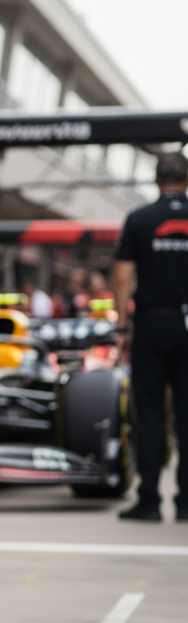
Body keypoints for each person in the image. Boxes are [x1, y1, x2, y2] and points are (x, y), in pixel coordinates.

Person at [113, 151, 188, 522]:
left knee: (152, 414)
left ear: (157, 180)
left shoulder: (140, 219)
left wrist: (123, 328)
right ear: (186, 180)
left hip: (152, 324)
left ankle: (149, 502)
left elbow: (123, 276)